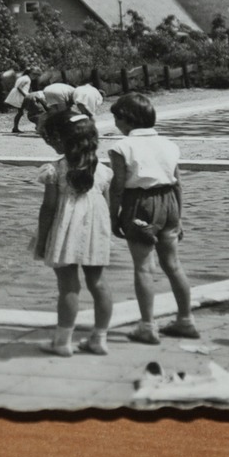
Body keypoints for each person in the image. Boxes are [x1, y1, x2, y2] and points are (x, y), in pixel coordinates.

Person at [106, 92, 198, 342]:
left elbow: (117, 187)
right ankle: (185, 320)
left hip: (140, 204)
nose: (115, 124)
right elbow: (178, 183)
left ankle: (147, 326)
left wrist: (113, 216)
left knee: (144, 267)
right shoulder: (169, 144)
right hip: (169, 202)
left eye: (116, 118)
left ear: (126, 119)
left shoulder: (121, 147)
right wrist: (179, 216)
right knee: (173, 264)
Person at [32, 109, 115, 356]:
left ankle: (63, 341)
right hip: (95, 231)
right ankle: (99, 338)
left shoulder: (54, 170)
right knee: (98, 283)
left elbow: (48, 208)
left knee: (68, 287)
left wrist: (42, 239)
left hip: (65, 231)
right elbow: (107, 208)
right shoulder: (103, 171)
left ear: (61, 140)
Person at [5, 67, 34, 134]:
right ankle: (15, 127)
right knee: (28, 110)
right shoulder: (27, 79)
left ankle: (15, 127)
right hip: (20, 96)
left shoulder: (23, 77)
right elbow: (19, 88)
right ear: (30, 73)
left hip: (19, 95)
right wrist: (26, 95)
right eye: (33, 74)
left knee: (20, 112)